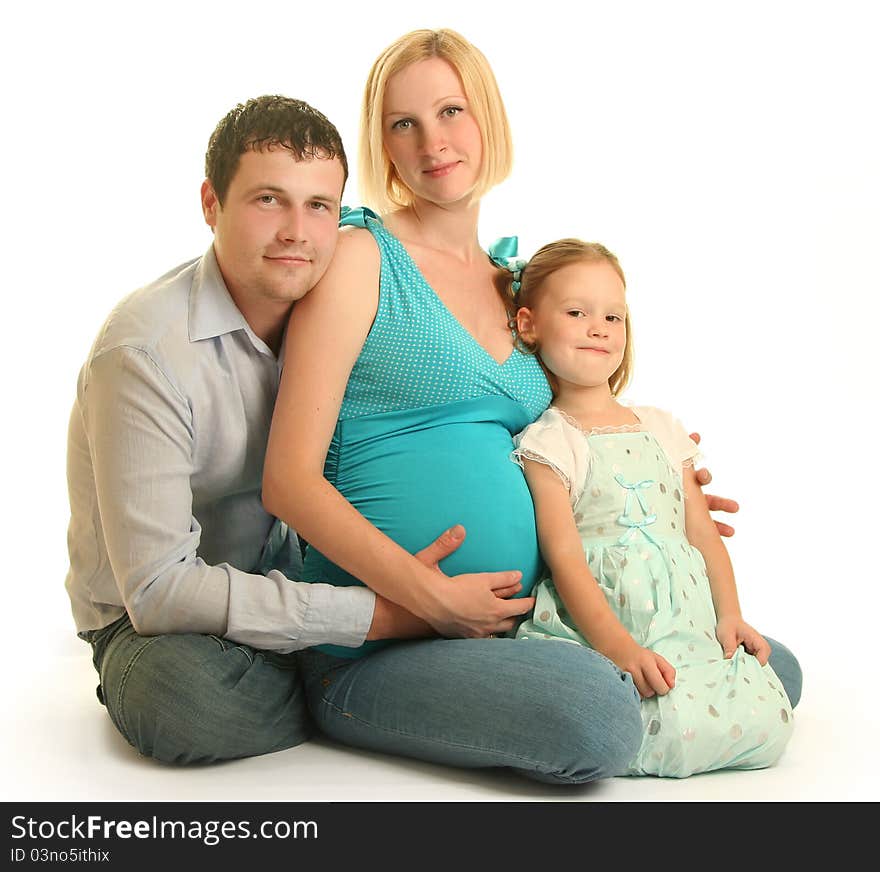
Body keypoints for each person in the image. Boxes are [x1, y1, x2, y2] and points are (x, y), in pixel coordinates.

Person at [262, 28, 801, 783]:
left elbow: (567, 439)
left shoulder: (517, 284)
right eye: (402, 123)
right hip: (380, 641)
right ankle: (346, 701)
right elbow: (287, 481)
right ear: (382, 143)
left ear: (489, 118)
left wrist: (652, 490)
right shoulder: (361, 259)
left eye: (451, 112)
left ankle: (633, 685)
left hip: (518, 625)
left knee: (773, 666)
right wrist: (432, 599)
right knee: (597, 718)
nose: (432, 142)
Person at [64, 94, 510, 765]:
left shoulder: (348, 297)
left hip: (300, 583)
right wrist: (383, 618)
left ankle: (334, 677)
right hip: (163, 625)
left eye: (319, 206)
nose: (297, 231)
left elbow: (467, 395)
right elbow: (159, 591)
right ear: (211, 204)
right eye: (268, 200)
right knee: (181, 702)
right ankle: (347, 690)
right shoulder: (144, 353)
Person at [507, 238, 794, 776]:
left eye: (613, 316)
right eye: (577, 312)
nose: (599, 327)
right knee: (631, 717)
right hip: (608, 619)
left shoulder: (663, 427)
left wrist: (729, 615)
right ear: (529, 325)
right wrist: (620, 648)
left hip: (684, 613)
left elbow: (703, 534)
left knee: (767, 716)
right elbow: (565, 558)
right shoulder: (548, 442)